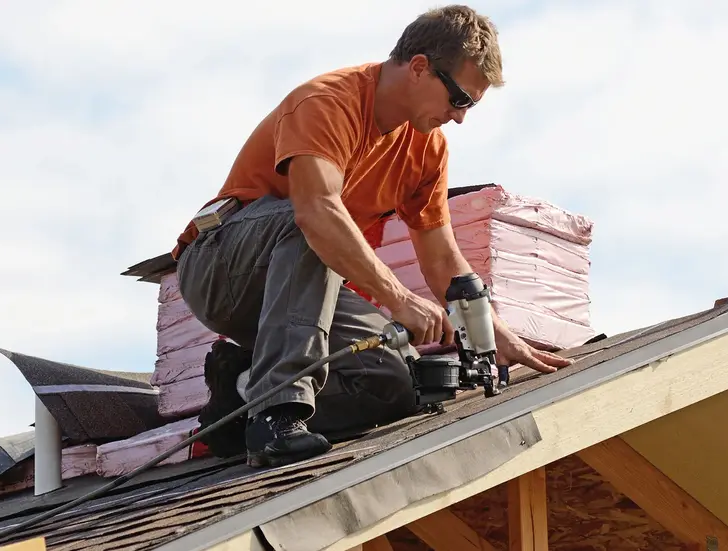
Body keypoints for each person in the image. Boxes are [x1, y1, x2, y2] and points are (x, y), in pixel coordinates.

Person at [172, 4, 572, 469]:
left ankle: (238, 399)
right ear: (419, 67)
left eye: (472, 105)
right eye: (460, 99)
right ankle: (276, 417)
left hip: (300, 287)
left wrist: (498, 336)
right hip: (219, 268)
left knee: (392, 381)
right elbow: (316, 213)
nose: (461, 117)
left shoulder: (428, 147)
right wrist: (400, 299)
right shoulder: (326, 102)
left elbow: (442, 259)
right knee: (316, 224)